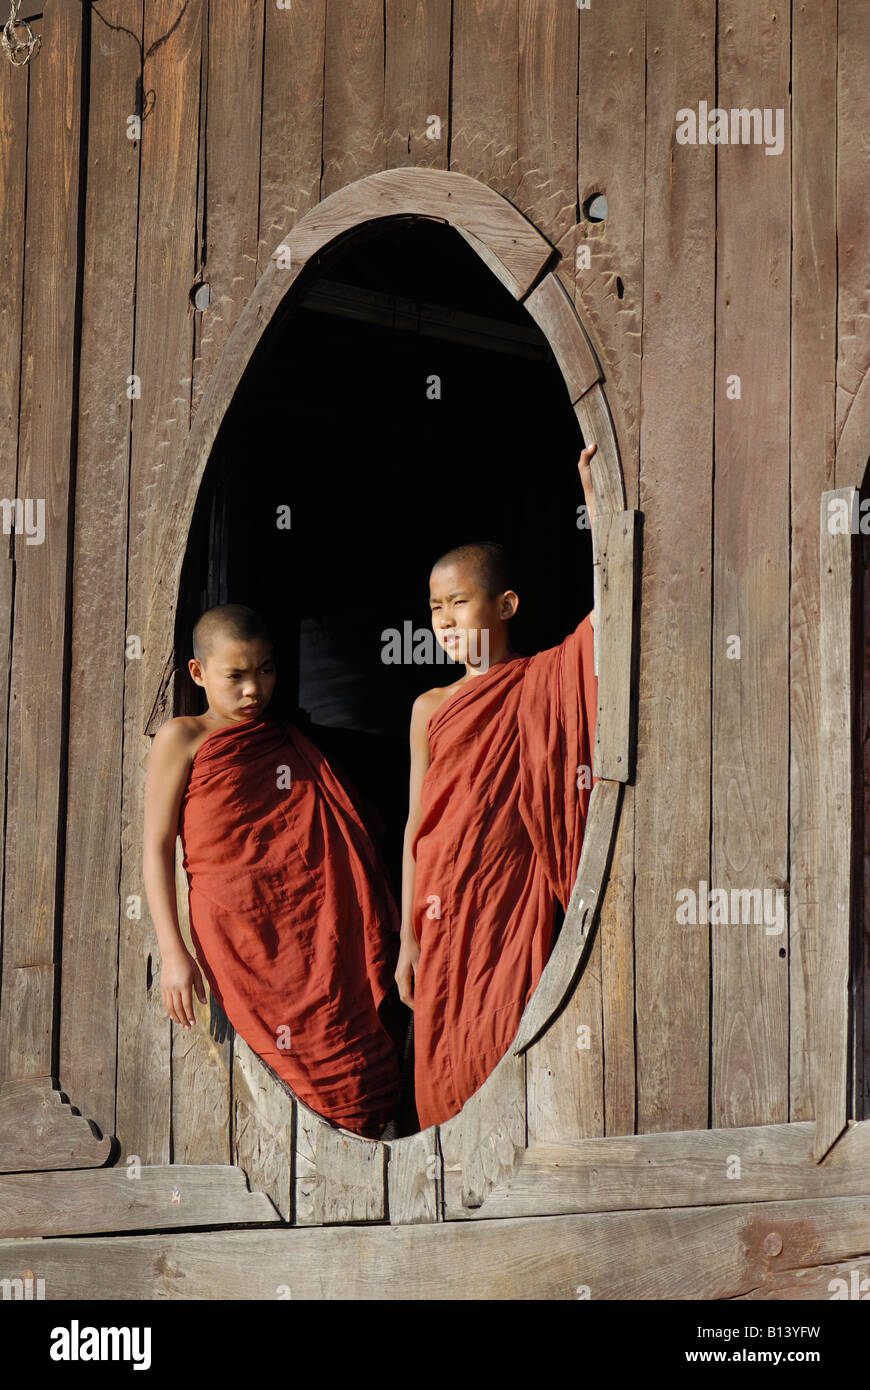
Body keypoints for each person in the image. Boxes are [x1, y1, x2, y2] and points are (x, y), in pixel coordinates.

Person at [396, 443, 600, 1128]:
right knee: (442, 1064)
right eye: (434, 608)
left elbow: (610, 622)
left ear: (507, 604)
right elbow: (417, 826)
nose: (446, 620)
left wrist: (600, 510)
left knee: (505, 1040)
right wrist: (407, 938)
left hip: (512, 902)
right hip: (442, 913)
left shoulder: (543, 679)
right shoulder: (430, 706)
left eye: (460, 601)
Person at [142, 604, 401, 1139]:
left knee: (347, 1043)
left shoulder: (287, 740)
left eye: (264, 670)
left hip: (315, 931)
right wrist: (173, 952)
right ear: (198, 673)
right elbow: (156, 847)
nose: (253, 689)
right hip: (238, 938)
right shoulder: (183, 738)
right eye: (234, 676)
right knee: (272, 1072)